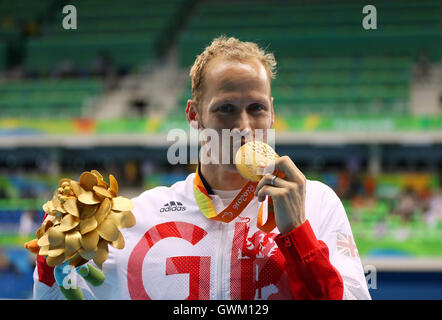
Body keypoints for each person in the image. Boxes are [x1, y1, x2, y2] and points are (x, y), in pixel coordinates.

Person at [33, 36, 371, 300]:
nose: (243, 125)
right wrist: (50, 265)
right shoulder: (139, 216)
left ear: (271, 111)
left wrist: (298, 234)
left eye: (255, 108)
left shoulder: (317, 204)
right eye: (225, 108)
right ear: (194, 116)